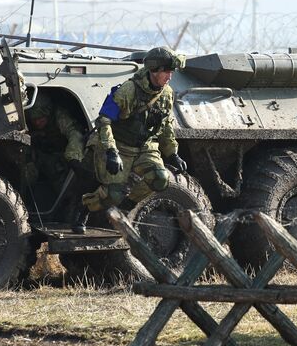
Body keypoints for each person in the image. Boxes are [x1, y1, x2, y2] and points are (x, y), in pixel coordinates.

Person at [73, 46, 187, 232]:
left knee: (160, 179)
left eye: (172, 72)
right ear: (153, 70)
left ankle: (125, 207)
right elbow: (104, 120)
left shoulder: (167, 93)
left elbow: (166, 125)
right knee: (113, 194)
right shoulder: (128, 90)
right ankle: (85, 207)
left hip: (145, 146)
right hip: (119, 144)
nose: (170, 76)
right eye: (166, 71)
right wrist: (110, 150)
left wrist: (173, 153)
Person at [24, 92, 87, 228]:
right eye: (34, 120)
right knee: (26, 174)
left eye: (41, 119)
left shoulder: (60, 116)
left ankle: (64, 215)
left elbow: (74, 133)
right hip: (38, 156)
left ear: (48, 114)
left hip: (58, 158)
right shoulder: (27, 120)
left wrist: (73, 158)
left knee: (63, 187)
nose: (37, 122)